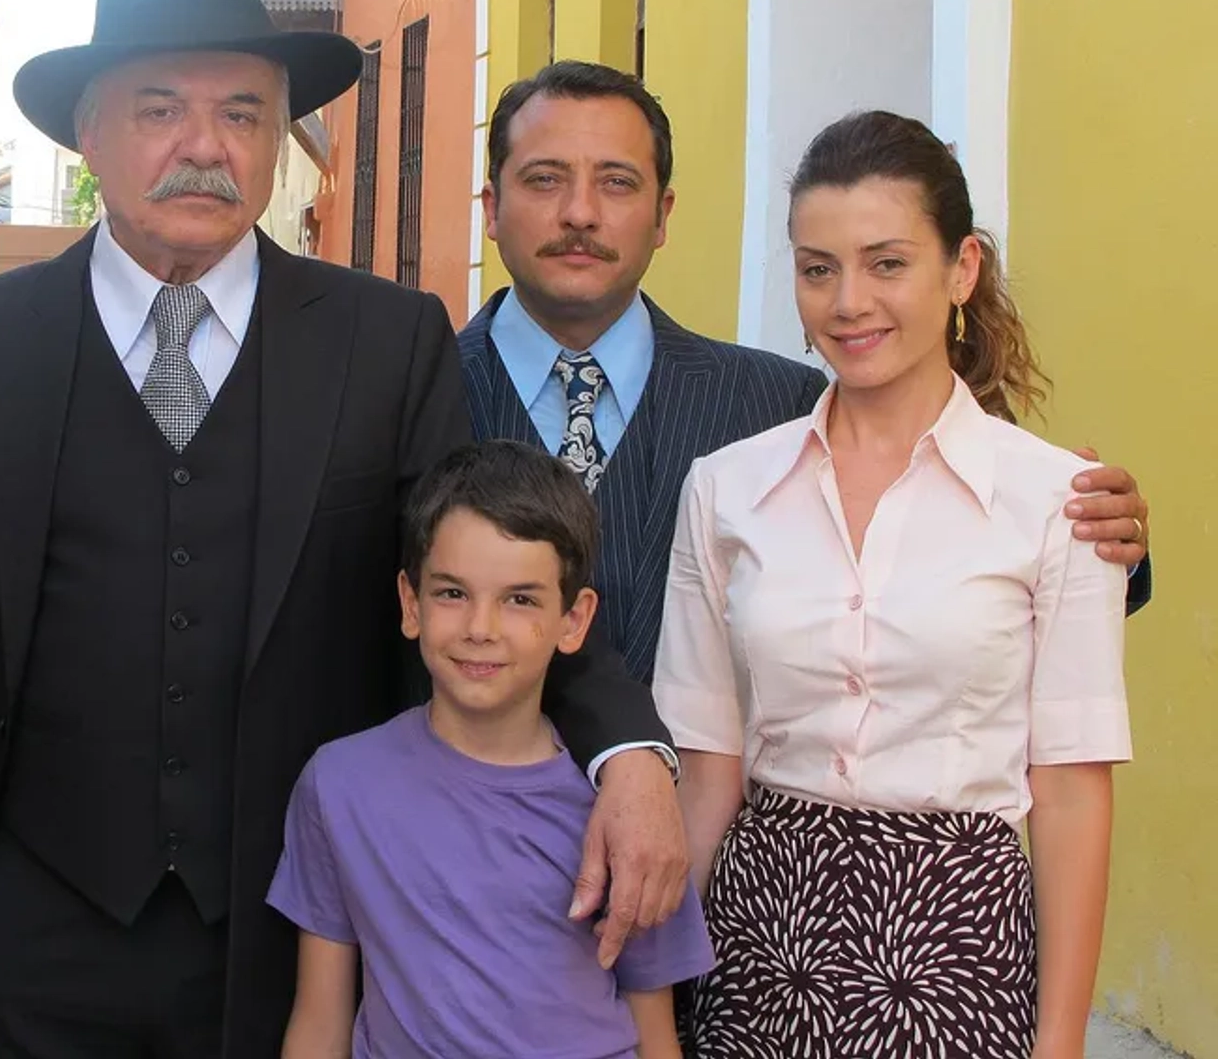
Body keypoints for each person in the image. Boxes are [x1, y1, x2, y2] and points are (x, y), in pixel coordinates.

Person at [0, 0, 686, 1059]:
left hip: (308, 931)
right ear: (90, 131)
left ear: (278, 147)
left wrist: (627, 750)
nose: (205, 147)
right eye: (162, 108)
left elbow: (493, 571)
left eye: (245, 115)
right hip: (33, 933)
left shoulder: (384, 341)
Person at [654, 110, 1131, 1057]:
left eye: (887, 263)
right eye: (817, 267)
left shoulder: (1053, 501)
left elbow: (1072, 790)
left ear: (962, 270)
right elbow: (708, 769)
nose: (847, 302)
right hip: (761, 938)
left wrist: (1063, 1041)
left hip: (962, 945)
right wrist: (658, 1004)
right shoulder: (726, 488)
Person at [460, 62, 1152, 685]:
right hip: (437, 819)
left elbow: (928, 569)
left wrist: (1099, 537)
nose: (580, 213)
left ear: (663, 214)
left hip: (712, 818)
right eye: (545, 179)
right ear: (491, 208)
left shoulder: (780, 404)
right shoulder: (408, 392)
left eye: (617, 182)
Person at [270, 440, 714, 1059]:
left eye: (520, 599)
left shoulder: (623, 813)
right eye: (452, 593)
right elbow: (319, 1024)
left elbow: (656, 1036)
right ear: (410, 602)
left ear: (574, 620)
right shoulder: (339, 786)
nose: (481, 628)